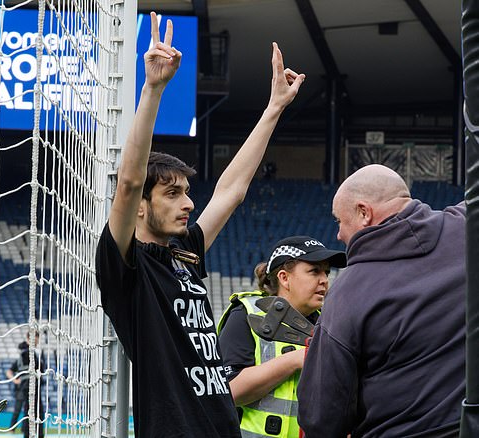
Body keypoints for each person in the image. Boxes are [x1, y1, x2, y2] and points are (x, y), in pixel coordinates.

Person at [95, 11, 304, 437]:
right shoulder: (126, 266)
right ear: (139, 206)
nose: (189, 203)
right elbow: (130, 180)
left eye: (187, 192)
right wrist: (152, 89)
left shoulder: (184, 252)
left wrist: (274, 108)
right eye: (172, 194)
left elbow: (232, 190)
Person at [297, 164, 466, 437]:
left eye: (339, 221)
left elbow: (321, 418)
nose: (338, 234)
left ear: (364, 213)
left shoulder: (347, 293)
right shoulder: (467, 229)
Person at [217, 236, 346, 438]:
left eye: (326, 272)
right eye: (314, 271)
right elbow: (228, 391)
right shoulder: (246, 315)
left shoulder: (330, 323)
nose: (324, 280)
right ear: (284, 278)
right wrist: (295, 360)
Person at [6, 331, 45, 438]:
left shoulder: (35, 353)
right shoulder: (26, 352)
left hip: (33, 386)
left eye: (37, 337)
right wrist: (16, 380)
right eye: (34, 337)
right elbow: (10, 371)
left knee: (34, 412)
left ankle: (32, 433)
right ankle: (28, 433)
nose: (36, 339)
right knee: (31, 412)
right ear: (28, 338)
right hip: (27, 387)